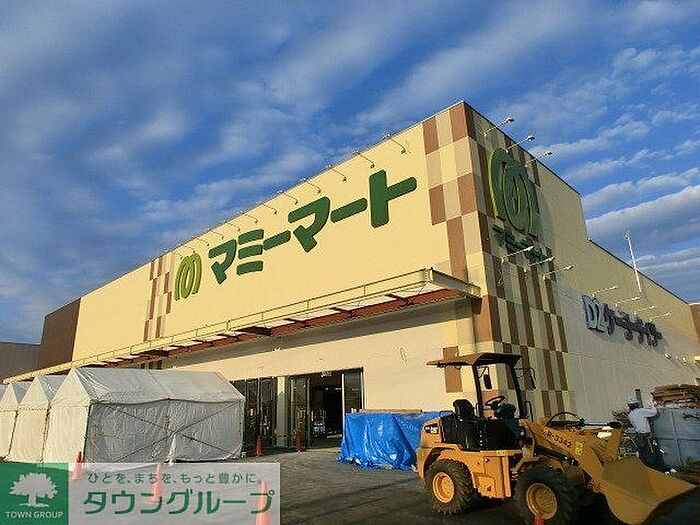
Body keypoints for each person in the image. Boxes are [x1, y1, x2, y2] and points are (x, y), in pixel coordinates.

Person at [626, 397, 665, 470]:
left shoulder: (630, 415)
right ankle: (655, 468)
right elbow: (654, 412)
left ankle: (645, 467)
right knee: (651, 452)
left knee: (643, 452)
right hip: (646, 436)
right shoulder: (641, 411)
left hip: (639, 436)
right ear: (637, 404)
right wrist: (652, 405)